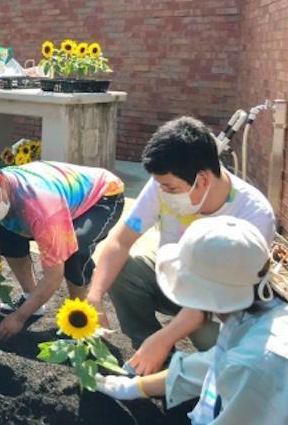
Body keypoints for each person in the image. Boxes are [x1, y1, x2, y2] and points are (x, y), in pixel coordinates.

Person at [86, 116, 276, 375]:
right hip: (176, 274)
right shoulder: (164, 183)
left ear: (203, 180)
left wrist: (163, 339)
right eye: (161, 185)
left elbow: (212, 298)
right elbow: (119, 241)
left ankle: (197, 376)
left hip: (221, 306)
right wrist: (94, 297)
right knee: (126, 269)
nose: (163, 192)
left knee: (223, 354)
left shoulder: (253, 215)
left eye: (171, 188)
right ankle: (154, 364)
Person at [95, 216, 288, 423]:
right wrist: (135, 387)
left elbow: (239, 374)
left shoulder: (255, 366)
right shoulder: (279, 311)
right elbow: (214, 364)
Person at [0, 156, 125, 342]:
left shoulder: (41, 206)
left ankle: (79, 316)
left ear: (0, 181)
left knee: (74, 250)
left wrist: (19, 317)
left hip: (102, 196)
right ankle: (29, 295)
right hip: (55, 195)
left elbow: (53, 275)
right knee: (7, 235)